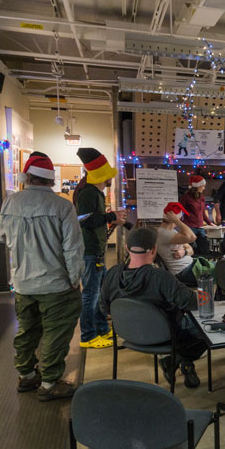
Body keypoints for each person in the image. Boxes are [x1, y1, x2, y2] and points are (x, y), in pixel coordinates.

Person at [0, 152, 84, 401]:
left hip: (23, 282)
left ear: (27, 177)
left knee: (27, 329)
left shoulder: (10, 203)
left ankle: (26, 375)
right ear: (51, 180)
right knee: (56, 332)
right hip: (56, 285)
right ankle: (49, 382)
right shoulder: (63, 206)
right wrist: (75, 278)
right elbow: (73, 249)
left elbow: (1, 236)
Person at [100, 228, 208, 388]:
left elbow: (104, 308)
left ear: (128, 249)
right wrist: (207, 294)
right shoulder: (161, 278)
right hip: (166, 336)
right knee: (209, 328)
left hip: (127, 334)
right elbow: (196, 303)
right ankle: (175, 360)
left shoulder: (112, 274)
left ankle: (176, 362)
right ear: (154, 249)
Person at [75, 147, 126, 349]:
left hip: (95, 250)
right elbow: (83, 220)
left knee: (100, 292)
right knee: (91, 294)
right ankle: (88, 335)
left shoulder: (93, 192)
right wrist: (110, 217)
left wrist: (110, 218)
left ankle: (101, 329)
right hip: (90, 252)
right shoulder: (88, 192)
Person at [156, 202, 198, 286]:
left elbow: (191, 250)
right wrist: (177, 221)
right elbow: (192, 237)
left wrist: (184, 252)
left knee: (220, 267)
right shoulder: (163, 233)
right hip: (183, 271)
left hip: (190, 266)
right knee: (220, 270)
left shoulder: (172, 232)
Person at [180, 174, 215, 254]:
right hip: (189, 227)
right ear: (197, 186)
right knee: (193, 249)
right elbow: (179, 210)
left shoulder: (202, 197)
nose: (204, 188)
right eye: (203, 186)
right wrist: (180, 224)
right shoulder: (186, 197)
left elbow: (202, 212)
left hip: (200, 227)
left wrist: (210, 223)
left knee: (204, 249)